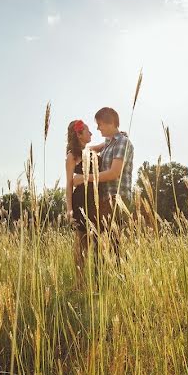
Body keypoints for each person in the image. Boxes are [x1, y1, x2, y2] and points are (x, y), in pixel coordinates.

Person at [73, 107, 133, 249]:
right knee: (102, 245)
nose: (98, 128)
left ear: (110, 123)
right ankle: (101, 270)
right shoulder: (108, 142)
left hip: (116, 198)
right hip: (104, 199)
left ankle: (117, 270)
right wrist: (76, 150)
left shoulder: (122, 143)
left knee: (113, 245)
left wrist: (84, 178)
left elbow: (114, 173)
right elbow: (90, 149)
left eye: (99, 124)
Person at [65, 119, 98, 280]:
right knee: (81, 243)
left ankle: (93, 278)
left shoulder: (90, 151)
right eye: (87, 131)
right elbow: (69, 184)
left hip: (95, 200)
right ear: (79, 134)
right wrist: (69, 209)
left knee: (96, 241)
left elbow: (101, 147)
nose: (91, 133)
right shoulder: (72, 156)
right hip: (80, 201)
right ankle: (80, 281)